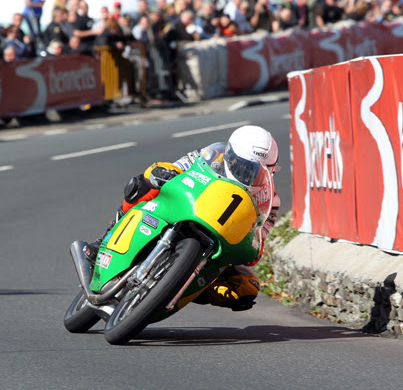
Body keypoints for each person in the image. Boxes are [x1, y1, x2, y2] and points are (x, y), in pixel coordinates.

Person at [84, 125, 281, 312]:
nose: (249, 172)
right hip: (187, 206)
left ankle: (181, 284)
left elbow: (259, 239)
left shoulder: (270, 201)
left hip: (222, 239)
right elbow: (178, 167)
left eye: (260, 168)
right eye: (244, 163)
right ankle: (105, 238)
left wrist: (252, 245)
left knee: (247, 287)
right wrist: (163, 173)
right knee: (146, 179)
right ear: (231, 153)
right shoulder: (213, 154)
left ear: (271, 169)